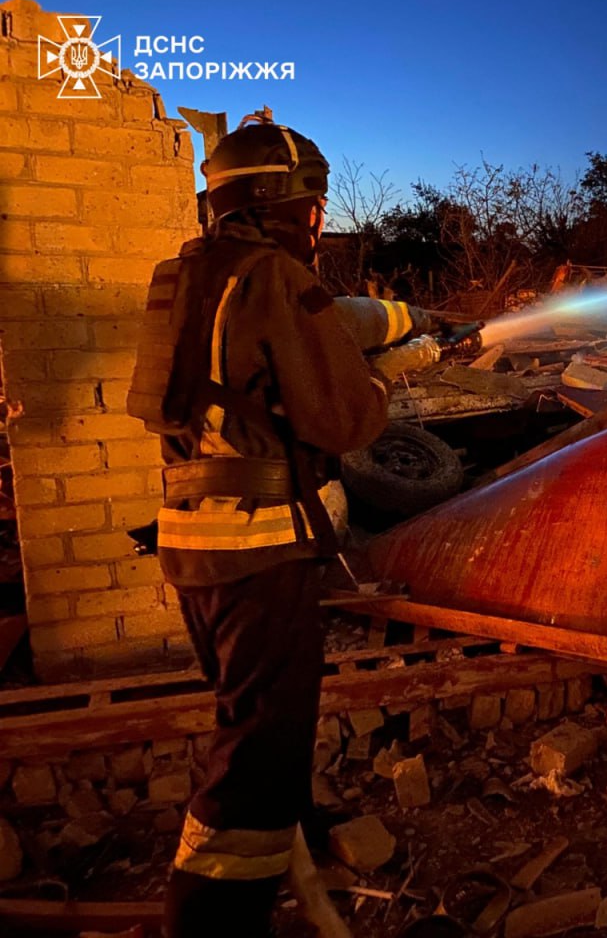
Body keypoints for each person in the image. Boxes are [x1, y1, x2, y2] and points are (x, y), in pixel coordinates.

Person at [126, 111, 438, 937]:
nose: (319, 221)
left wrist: (369, 338)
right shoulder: (274, 277)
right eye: (313, 205)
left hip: (192, 541)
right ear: (278, 204)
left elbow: (247, 383)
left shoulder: (186, 274)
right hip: (260, 547)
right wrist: (388, 379)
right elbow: (342, 420)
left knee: (255, 715)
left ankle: (291, 841)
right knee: (260, 743)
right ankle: (209, 918)